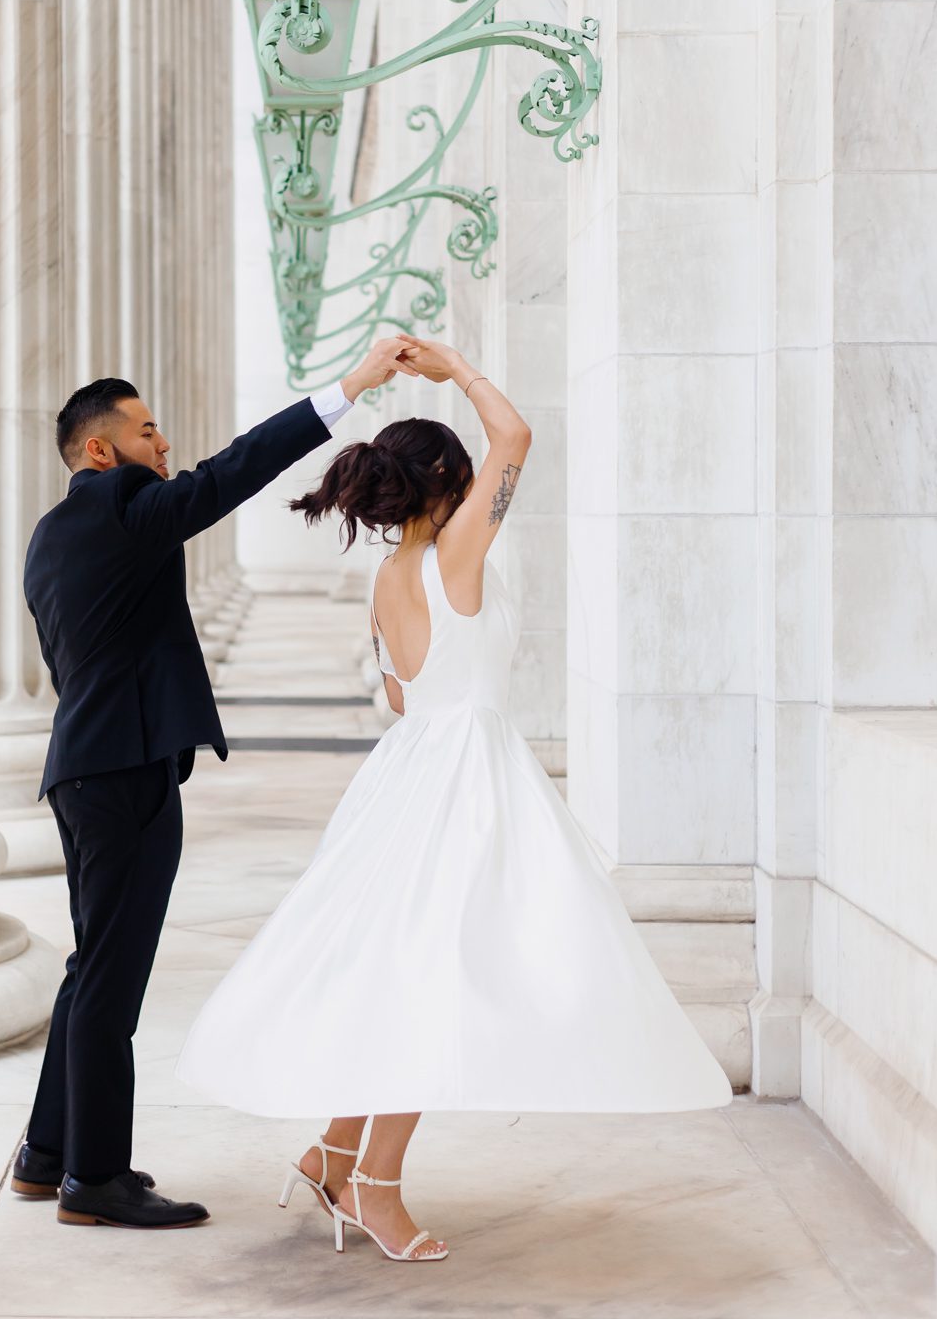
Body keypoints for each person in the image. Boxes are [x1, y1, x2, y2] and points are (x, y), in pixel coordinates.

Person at [176, 335, 733, 1264]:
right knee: (431, 986)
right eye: (470, 479)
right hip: (464, 780)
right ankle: (373, 1187)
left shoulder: (390, 577)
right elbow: (514, 433)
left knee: (402, 974)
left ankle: (331, 1155)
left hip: (406, 776)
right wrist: (452, 369)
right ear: (449, 484)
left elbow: (399, 696)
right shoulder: (458, 551)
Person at [12, 336, 416, 1230]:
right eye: (149, 431)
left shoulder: (51, 535)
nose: (167, 447)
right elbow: (233, 472)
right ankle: (95, 1178)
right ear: (99, 451)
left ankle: (47, 1154)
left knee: (90, 968)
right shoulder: (125, 506)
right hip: (124, 775)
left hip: (81, 771)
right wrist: (347, 390)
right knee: (112, 981)